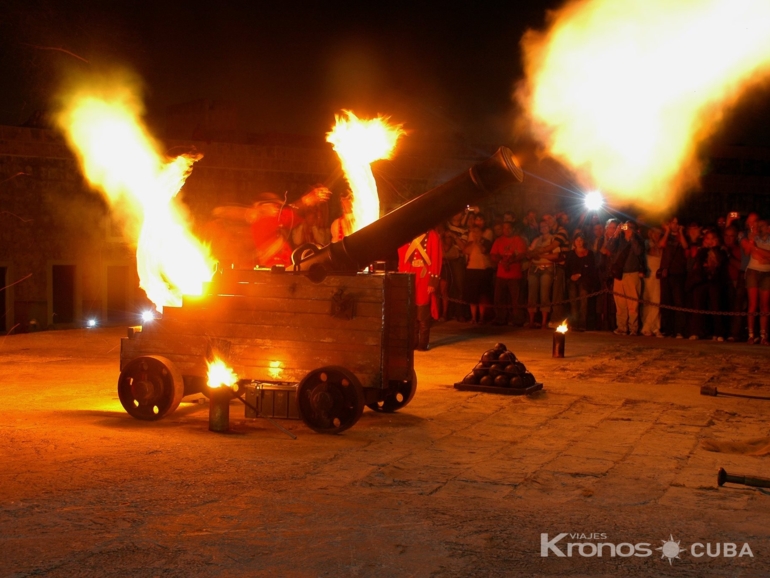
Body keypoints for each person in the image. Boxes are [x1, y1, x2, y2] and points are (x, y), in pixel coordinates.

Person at [210, 186, 331, 268]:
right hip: (269, 273)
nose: (277, 208)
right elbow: (288, 215)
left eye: (278, 205)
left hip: (279, 271)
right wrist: (306, 201)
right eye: (273, 205)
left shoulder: (274, 224)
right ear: (261, 207)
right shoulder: (262, 223)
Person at [398, 229, 443, 350]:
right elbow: (402, 254)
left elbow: (436, 257)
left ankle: (423, 342)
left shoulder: (432, 235)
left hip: (424, 275)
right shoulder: (407, 233)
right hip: (410, 273)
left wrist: (433, 281)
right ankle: (413, 341)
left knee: (422, 311)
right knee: (411, 310)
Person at [687, 230, 727, 340]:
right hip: (701, 281)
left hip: (715, 281)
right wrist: (704, 249)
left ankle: (719, 333)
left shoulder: (722, 250)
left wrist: (714, 248)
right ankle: (696, 331)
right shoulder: (701, 251)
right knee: (698, 306)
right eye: (708, 239)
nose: (710, 241)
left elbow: (720, 262)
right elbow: (697, 260)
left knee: (716, 307)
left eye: (713, 238)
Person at [607, 220, 645, 335]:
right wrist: (616, 234)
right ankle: (622, 327)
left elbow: (638, 252)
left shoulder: (638, 239)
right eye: (624, 226)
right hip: (619, 274)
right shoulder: (619, 239)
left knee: (633, 304)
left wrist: (632, 237)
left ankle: (633, 328)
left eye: (628, 227)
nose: (625, 229)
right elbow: (610, 247)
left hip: (632, 274)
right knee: (620, 303)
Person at [490, 221, 528, 325]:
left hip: (514, 274)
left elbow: (522, 254)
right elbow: (493, 255)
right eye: (504, 228)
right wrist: (502, 261)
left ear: (513, 229)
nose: (506, 230)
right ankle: (500, 318)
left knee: (516, 299)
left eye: (508, 228)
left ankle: (517, 319)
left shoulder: (518, 240)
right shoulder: (499, 240)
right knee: (499, 297)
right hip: (501, 274)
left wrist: (511, 261)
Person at [526, 220, 560, 328]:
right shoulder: (536, 240)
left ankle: (544, 322)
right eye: (541, 226)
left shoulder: (553, 239)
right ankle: (531, 321)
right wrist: (533, 254)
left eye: (545, 226)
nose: (543, 228)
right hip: (534, 268)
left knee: (544, 295)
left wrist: (540, 256)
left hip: (547, 268)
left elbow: (556, 256)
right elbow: (529, 253)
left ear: (549, 227)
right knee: (532, 295)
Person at [742, 218, 770, 345]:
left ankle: (763, 336)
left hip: (767, 273)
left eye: (762, 225)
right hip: (753, 271)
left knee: (764, 305)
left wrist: (757, 250)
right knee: (752, 304)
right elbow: (748, 252)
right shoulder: (753, 237)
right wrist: (752, 241)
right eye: (758, 225)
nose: (759, 228)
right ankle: (751, 335)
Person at [659, 217, 688, 338]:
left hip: (678, 273)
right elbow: (661, 244)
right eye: (673, 223)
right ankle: (667, 329)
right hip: (666, 272)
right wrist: (667, 231)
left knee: (678, 302)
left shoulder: (682, 236)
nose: (675, 225)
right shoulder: (666, 235)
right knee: (666, 301)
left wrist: (680, 232)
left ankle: (679, 330)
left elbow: (685, 246)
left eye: (677, 223)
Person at [565, 233, 599, 331]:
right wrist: (571, 276)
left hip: (585, 281)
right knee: (574, 302)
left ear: (584, 241)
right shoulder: (571, 254)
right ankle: (574, 324)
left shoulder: (590, 253)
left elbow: (592, 269)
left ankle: (582, 323)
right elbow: (567, 268)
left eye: (581, 240)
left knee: (584, 302)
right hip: (572, 281)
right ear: (574, 241)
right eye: (577, 240)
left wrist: (581, 275)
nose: (579, 242)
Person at [463, 225, 494, 324]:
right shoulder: (470, 243)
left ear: (481, 232)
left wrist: (478, 243)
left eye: (477, 231)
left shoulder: (487, 242)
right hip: (471, 270)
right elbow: (466, 251)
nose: (475, 234)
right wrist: (474, 243)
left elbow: (483, 251)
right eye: (474, 232)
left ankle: (481, 317)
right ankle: (473, 317)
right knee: (472, 296)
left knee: (482, 295)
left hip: (483, 271)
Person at [723, 225, 746, 342]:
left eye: (731, 236)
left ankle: (735, 333)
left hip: (737, 282)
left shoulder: (739, 249)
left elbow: (741, 266)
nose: (728, 239)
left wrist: (728, 255)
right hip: (723, 282)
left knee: (736, 308)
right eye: (726, 236)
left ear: (736, 237)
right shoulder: (720, 248)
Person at [641, 227, 664, 337]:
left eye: (659, 234)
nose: (657, 235)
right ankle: (647, 327)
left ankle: (655, 327)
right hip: (649, 275)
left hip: (657, 276)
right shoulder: (646, 244)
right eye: (655, 233)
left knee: (656, 301)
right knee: (647, 302)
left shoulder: (662, 244)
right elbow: (652, 251)